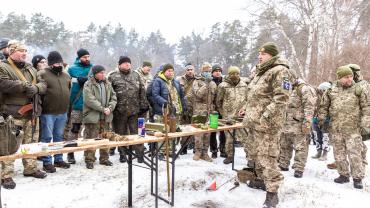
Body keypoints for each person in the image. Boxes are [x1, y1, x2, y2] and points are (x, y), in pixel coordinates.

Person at [243, 42, 294, 208]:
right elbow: (254, 96)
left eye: (263, 54)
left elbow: (282, 98)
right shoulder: (261, 72)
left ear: (272, 55)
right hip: (255, 123)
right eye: (259, 53)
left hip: (267, 125)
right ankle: (259, 180)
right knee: (255, 154)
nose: (260, 56)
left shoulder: (280, 71)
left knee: (268, 157)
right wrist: (246, 109)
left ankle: (272, 194)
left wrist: (265, 116)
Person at [0, 40, 48, 189]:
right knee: (10, 145)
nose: (25, 53)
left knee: (31, 143)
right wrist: (26, 86)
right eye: (21, 50)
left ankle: (30, 168)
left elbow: (43, 84)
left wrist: (36, 88)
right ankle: (6, 175)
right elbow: (4, 84)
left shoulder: (30, 68)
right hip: (13, 114)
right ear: (12, 51)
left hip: (32, 113)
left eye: (26, 51)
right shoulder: (3, 67)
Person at [318, 65, 369, 189]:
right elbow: (324, 107)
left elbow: (367, 109)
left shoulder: (359, 89)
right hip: (336, 128)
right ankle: (343, 175)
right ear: (340, 77)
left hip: (353, 129)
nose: (350, 79)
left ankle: (357, 178)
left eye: (351, 76)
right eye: (346, 77)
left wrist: (366, 126)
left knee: (355, 154)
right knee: (339, 153)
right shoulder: (331, 90)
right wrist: (322, 120)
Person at [108, 56, 148, 163]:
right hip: (119, 111)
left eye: (128, 63)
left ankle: (140, 154)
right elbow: (109, 93)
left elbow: (142, 90)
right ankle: (123, 154)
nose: (127, 65)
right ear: (119, 64)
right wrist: (111, 108)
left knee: (138, 133)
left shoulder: (136, 75)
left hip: (135, 110)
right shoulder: (112, 76)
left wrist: (144, 105)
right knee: (121, 134)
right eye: (125, 63)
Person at [38, 51, 71, 173]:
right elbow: (39, 93)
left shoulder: (66, 75)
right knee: (46, 137)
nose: (59, 64)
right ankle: (46, 162)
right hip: (48, 112)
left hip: (62, 111)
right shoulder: (42, 74)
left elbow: (69, 91)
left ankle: (58, 158)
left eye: (60, 62)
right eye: (56, 62)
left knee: (59, 137)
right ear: (51, 63)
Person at [278, 78, 317, 178]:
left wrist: (307, 123)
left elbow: (309, 107)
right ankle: (283, 163)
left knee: (301, 147)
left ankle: (299, 168)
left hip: (299, 124)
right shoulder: (287, 88)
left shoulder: (304, 88)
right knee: (284, 144)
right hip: (286, 123)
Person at [83, 65, 117, 169]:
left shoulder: (108, 83)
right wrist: (103, 109)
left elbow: (113, 97)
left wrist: (110, 108)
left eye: (104, 72)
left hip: (106, 116)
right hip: (93, 116)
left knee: (105, 137)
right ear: (95, 73)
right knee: (91, 138)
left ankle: (104, 158)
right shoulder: (88, 84)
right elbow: (89, 100)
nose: (103, 74)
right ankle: (89, 159)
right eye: (101, 73)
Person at [152, 63, 186, 157]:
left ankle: (170, 151)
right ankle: (161, 152)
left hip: (174, 112)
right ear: (164, 72)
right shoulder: (158, 81)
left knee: (172, 132)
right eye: (169, 71)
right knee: (163, 132)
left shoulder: (175, 82)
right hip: (163, 111)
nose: (171, 72)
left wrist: (183, 106)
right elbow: (155, 95)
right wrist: (164, 102)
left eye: (172, 71)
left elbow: (181, 96)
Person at [65, 48, 92, 164]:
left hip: (91, 106)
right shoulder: (71, 69)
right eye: (84, 57)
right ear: (79, 58)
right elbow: (66, 85)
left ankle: (89, 155)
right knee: (74, 130)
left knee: (90, 131)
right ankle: (70, 153)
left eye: (88, 57)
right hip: (76, 105)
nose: (87, 59)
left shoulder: (92, 68)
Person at [216, 66, 248, 164]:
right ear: (229, 74)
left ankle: (250, 157)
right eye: (232, 74)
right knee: (229, 138)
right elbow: (218, 101)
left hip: (241, 116)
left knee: (246, 137)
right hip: (228, 116)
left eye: (237, 73)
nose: (235, 75)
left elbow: (248, 99)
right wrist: (223, 113)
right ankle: (230, 156)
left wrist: (245, 109)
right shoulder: (222, 86)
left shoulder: (244, 85)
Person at [188, 62, 217, 162]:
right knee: (198, 133)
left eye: (209, 71)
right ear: (202, 71)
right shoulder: (197, 82)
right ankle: (198, 152)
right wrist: (206, 84)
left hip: (210, 112)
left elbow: (215, 98)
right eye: (206, 71)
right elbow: (198, 95)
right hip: (199, 111)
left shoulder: (213, 83)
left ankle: (205, 152)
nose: (208, 73)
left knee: (207, 133)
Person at [176, 63, 196, 155]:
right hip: (183, 107)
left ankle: (194, 145)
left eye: (191, 69)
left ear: (194, 70)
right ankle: (183, 147)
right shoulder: (179, 80)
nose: (190, 71)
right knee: (184, 127)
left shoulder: (198, 80)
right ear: (185, 71)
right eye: (188, 69)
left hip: (194, 107)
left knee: (195, 127)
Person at [311, 82, 331, 161]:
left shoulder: (330, 97)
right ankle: (318, 151)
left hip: (326, 119)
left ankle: (325, 153)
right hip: (315, 119)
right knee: (316, 136)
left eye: (324, 90)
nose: (322, 91)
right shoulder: (315, 96)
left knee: (325, 137)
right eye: (321, 90)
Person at [210, 64, 226, 159]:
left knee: (223, 131)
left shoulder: (225, 82)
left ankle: (223, 149)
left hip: (223, 110)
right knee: (213, 130)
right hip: (213, 110)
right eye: (215, 71)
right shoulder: (210, 82)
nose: (218, 72)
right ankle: (214, 150)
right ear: (212, 73)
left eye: (219, 71)